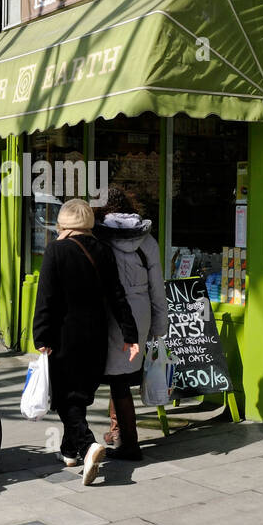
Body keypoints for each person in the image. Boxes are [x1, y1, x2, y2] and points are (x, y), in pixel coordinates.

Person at [32, 198, 139, 485]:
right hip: (96, 337)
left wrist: (41, 335)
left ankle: (87, 446)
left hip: (65, 337)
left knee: (68, 399)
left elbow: (46, 298)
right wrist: (130, 335)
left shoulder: (56, 251)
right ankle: (70, 451)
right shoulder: (103, 250)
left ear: (63, 225)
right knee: (78, 396)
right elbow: (118, 295)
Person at [95, 188, 167, 460]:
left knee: (117, 380)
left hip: (110, 313)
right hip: (140, 313)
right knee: (122, 377)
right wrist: (160, 325)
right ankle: (119, 433)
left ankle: (129, 442)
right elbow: (157, 289)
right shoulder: (147, 241)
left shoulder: (99, 237)